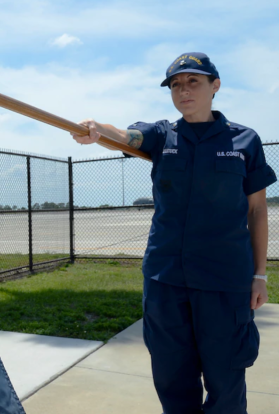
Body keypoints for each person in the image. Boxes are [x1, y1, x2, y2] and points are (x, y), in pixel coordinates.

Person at [71, 52, 276, 414]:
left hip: (224, 282)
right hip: (166, 280)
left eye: (193, 81)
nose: (184, 90)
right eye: (176, 85)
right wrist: (99, 130)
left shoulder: (245, 141)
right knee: (172, 378)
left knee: (226, 380)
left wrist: (259, 275)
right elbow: (128, 136)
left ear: (215, 86)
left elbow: (257, 211)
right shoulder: (161, 134)